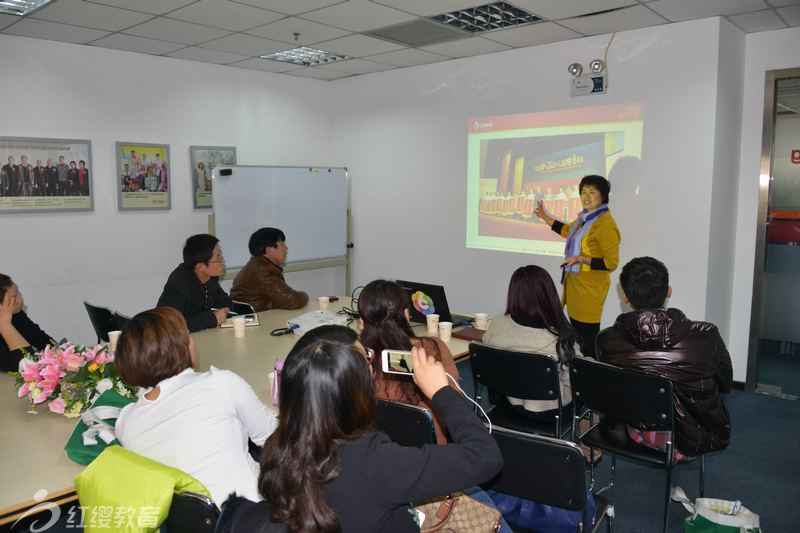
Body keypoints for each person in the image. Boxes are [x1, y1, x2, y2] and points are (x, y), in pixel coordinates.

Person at [217, 325, 503, 533]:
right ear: (354, 388)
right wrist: (441, 391)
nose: (371, 360)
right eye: (365, 357)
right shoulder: (373, 462)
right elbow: (485, 457)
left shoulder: (278, 447)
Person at [115, 307, 278, 504]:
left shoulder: (126, 422)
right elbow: (276, 440)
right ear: (178, 348)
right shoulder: (220, 384)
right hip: (252, 514)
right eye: (187, 336)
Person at [596, 257, 732, 459]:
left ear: (625, 296)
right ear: (669, 290)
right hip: (694, 436)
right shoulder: (708, 335)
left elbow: (611, 392)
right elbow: (726, 383)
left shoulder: (606, 340)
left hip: (636, 430)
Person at [357, 280, 459, 444]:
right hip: (430, 454)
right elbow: (454, 404)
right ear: (406, 314)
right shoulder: (433, 349)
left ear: (361, 322)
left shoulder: (355, 359)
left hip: (377, 451)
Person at [534, 175, 620, 359]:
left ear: (603, 195)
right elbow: (567, 231)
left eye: (591, 192)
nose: (586, 196)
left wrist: (581, 258)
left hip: (590, 292)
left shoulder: (605, 223)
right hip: (575, 289)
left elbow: (611, 263)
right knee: (576, 339)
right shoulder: (584, 219)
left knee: (586, 342)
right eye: (583, 192)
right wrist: (545, 217)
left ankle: (589, 381)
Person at [483, 265, 583, 419]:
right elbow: (575, 380)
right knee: (588, 368)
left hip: (509, 401)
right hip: (553, 410)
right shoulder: (560, 338)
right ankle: (589, 439)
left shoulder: (498, 322)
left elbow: (487, 346)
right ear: (549, 294)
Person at [156, 234, 233, 332]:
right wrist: (211, 319)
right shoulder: (179, 283)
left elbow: (226, 303)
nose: (223, 261)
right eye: (218, 258)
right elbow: (171, 324)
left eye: (220, 255)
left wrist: (221, 313)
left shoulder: (210, 278)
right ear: (200, 267)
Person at [230, 228, 308, 312]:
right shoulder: (264, 272)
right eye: (282, 244)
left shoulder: (256, 265)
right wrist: (305, 294)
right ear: (269, 250)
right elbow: (293, 301)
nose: (286, 248)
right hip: (259, 321)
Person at [0, 274, 55, 372]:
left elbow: (45, 342)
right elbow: (26, 366)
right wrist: (5, 325)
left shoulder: (16, 314)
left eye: (17, 292)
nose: (21, 300)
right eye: (13, 299)